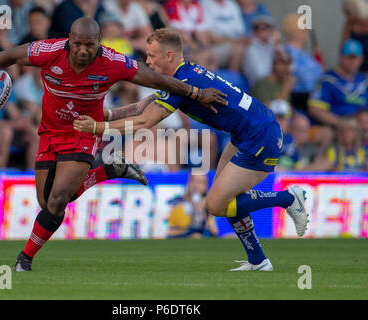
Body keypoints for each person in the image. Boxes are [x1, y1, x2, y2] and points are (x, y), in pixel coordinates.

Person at [0, 17, 226, 271]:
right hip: (49, 132)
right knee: (46, 203)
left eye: (89, 45)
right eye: (78, 44)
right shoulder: (49, 50)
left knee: (58, 200)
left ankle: (24, 259)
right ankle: (111, 170)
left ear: (99, 42)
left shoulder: (113, 62)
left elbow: (154, 79)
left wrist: (195, 93)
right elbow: (10, 56)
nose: (83, 50)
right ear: (69, 40)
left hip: (84, 132)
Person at [74, 27, 310, 271]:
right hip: (246, 133)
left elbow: (145, 121)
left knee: (216, 204)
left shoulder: (183, 81)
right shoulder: (182, 77)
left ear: (168, 56)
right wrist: (105, 114)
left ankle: (289, 197)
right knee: (224, 199)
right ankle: (258, 261)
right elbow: (141, 107)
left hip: (261, 137)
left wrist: (98, 128)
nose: (147, 60)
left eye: (152, 55)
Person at [168, 173, 217, 238]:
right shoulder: (177, 203)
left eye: (200, 182)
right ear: (188, 183)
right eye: (193, 181)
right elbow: (170, 232)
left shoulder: (208, 205)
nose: (196, 185)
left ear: (205, 187)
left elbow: (213, 231)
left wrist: (203, 211)